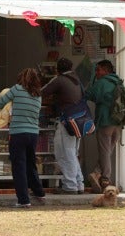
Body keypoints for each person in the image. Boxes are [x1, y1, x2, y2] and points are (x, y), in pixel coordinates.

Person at [0, 68, 46, 208]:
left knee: (19, 167)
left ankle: (23, 200)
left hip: (18, 133)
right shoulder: (38, 94)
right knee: (31, 164)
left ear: (21, 79)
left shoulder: (17, 89)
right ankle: (39, 192)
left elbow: (0, 103)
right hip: (33, 134)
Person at [41, 57, 86, 194]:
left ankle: (70, 186)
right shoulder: (77, 80)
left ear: (57, 69)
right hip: (79, 121)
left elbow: (42, 92)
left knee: (64, 153)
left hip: (66, 121)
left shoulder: (60, 79)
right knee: (72, 153)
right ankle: (79, 183)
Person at [85, 59, 122, 193]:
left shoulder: (102, 83)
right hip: (118, 123)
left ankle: (105, 179)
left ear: (105, 71)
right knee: (108, 151)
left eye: (98, 70)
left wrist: (93, 79)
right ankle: (96, 173)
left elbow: (88, 94)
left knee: (105, 151)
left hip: (105, 121)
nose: (97, 72)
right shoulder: (118, 81)